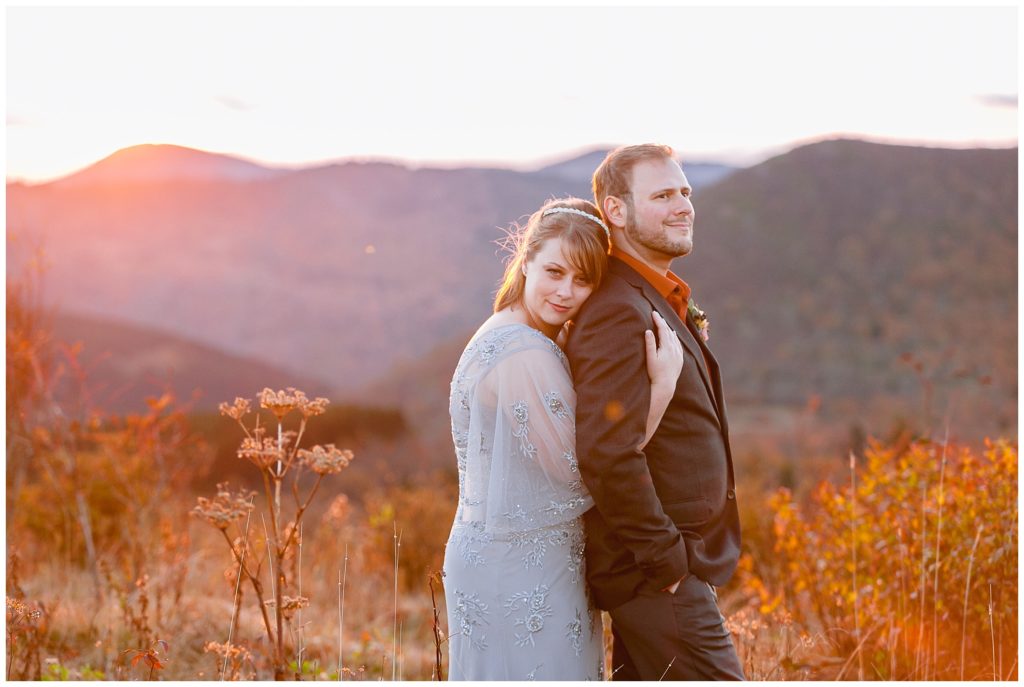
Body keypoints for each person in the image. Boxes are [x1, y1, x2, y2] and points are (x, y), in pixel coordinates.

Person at [443, 196, 684, 680]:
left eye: (583, 280)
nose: (566, 292)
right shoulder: (522, 354)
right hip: (521, 569)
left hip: (501, 552)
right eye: (554, 271)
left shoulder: (506, 330)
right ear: (525, 259)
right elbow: (584, 472)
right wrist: (662, 388)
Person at [565, 145, 745, 680]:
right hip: (656, 577)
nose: (684, 205)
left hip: (670, 570)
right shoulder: (619, 312)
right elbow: (606, 452)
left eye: (685, 192)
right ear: (615, 212)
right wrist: (668, 565)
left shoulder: (652, 296)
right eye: (663, 195)